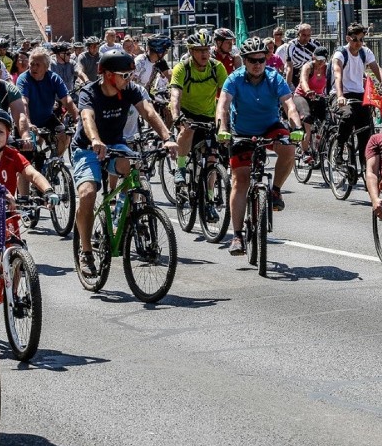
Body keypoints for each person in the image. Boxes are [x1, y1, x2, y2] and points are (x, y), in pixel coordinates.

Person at [70, 50, 177, 276]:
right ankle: (86, 251)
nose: (129, 79)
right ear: (108, 75)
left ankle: (123, 215)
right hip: (87, 147)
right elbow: (87, 118)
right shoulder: (90, 92)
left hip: (116, 144)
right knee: (87, 194)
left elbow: (148, 112)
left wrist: (168, 138)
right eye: (124, 75)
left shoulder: (130, 90)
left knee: (134, 168)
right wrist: (96, 140)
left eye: (130, 75)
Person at [215, 37, 302, 255]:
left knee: (289, 148)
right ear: (244, 61)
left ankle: (275, 191)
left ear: (266, 59)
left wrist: (297, 127)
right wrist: (222, 129)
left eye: (261, 59)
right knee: (240, 180)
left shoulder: (275, 78)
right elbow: (223, 107)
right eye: (252, 60)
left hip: (270, 127)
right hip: (241, 132)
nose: (257, 64)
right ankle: (237, 235)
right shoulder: (233, 79)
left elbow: (289, 106)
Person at [170, 31, 228, 186]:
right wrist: (176, 117)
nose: (204, 54)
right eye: (199, 50)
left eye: (206, 49)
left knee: (211, 159)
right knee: (187, 128)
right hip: (187, 112)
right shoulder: (182, 68)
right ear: (191, 51)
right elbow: (175, 96)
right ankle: (180, 167)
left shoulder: (217, 67)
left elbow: (226, 95)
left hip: (210, 113)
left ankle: (209, 199)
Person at [332, 22, 382, 169]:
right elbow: (337, 75)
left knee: (366, 129)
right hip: (340, 92)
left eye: (361, 39)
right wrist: (340, 96)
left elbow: (377, 70)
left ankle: (365, 165)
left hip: (359, 94)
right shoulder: (340, 54)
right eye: (355, 39)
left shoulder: (365, 52)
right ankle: (339, 147)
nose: (359, 43)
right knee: (348, 116)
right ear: (348, 38)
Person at [0, 108, 58, 208]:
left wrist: (48, 191)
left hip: (9, 213)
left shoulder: (13, 155)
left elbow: (33, 174)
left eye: (1, 132)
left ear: (7, 134)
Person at [16, 47, 78, 159]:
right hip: (26, 119)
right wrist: (28, 123)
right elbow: (23, 102)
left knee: (64, 136)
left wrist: (78, 119)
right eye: (31, 64)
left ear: (46, 67)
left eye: (37, 65)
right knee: (26, 159)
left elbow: (67, 100)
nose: (33, 68)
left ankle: (53, 163)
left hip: (46, 118)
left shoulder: (54, 78)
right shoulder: (23, 79)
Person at [293, 47, 329, 161]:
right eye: (318, 59)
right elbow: (303, 80)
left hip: (318, 97)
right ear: (313, 57)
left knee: (328, 118)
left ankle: (320, 143)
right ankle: (304, 151)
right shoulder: (308, 67)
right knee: (307, 118)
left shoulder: (327, 68)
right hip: (302, 96)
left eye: (323, 60)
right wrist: (308, 91)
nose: (320, 62)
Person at [282, 23, 320, 91]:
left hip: (308, 71)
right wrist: (287, 86)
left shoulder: (315, 45)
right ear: (298, 34)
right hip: (294, 71)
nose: (306, 38)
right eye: (303, 35)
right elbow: (289, 67)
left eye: (308, 35)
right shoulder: (291, 45)